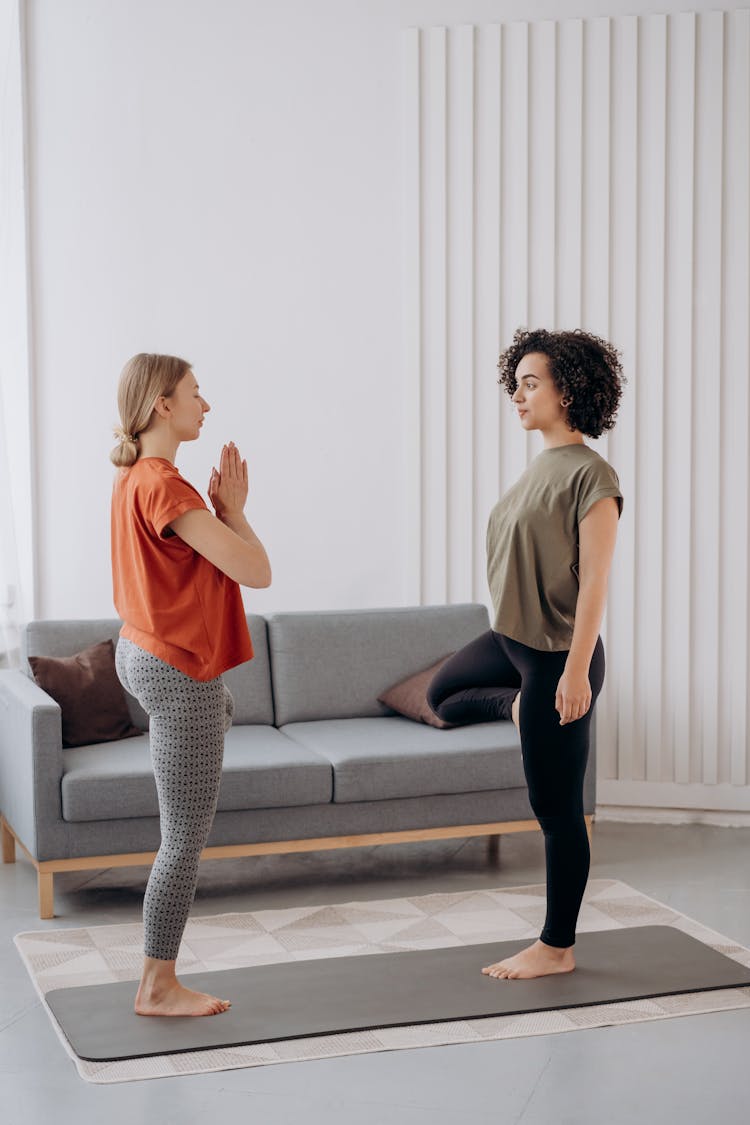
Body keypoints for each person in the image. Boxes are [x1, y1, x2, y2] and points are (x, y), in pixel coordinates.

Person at [427, 328, 625, 981]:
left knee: (556, 808)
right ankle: (517, 706)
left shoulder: (592, 474)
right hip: (513, 646)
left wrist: (573, 673)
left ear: (568, 391)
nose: (518, 394)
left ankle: (557, 945)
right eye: (515, 383)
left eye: (531, 382)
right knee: (440, 694)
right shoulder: (539, 464)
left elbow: (595, 580)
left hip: (557, 656)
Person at [109, 353, 271, 1016]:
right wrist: (234, 508)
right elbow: (254, 570)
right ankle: (157, 984)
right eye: (195, 394)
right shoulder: (166, 485)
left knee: (185, 809)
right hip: (176, 669)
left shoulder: (132, 477)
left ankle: (159, 978)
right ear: (161, 406)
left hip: (143, 651)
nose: (206, 405)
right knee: (183, 837)